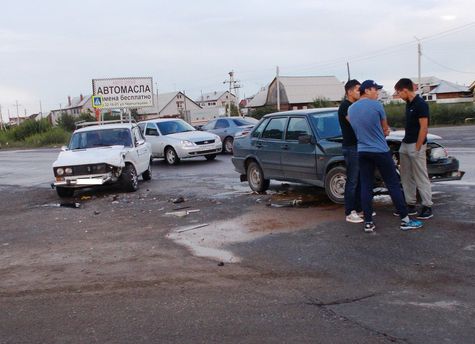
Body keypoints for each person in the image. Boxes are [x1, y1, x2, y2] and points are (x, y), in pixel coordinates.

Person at [348, 80, 423, 233]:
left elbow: (357, 129)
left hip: (362, 151)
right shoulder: (377, 105)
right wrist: (385, 132)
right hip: (380, 150)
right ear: (367, 90)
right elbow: (385, 129)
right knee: (393, 184)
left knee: (366, 186)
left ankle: (368, 222)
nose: (378, 93)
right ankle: (405, 220)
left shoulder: (351, 108)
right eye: (376, 90)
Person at [394, 78, 433, 219]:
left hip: (416, 144)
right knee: (405, 175)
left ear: (405, 90)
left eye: (398, 92)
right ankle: (410, 205)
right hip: (405, 143)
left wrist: (418, 147)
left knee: (420, 175)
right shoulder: (408, 103)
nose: (398, 95)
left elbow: (424, 127)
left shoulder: (421, 104)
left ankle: (427, 206)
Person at [338, 79, 363, 223]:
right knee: (352, 180)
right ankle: (349, 212)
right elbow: (355, 123)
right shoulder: (345, 106)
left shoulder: (355, 105)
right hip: (351, 147)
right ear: (349, 91)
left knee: (360, 179)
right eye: (357, 89)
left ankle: (359, 209)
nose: (360, 92)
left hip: (359, 146)